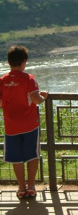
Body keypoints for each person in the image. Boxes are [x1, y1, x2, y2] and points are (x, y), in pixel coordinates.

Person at [0, 45, 48, 200]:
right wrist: (44, 96)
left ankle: (21, 188)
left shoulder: (2, 81)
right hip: (29, 125)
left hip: (11, 126)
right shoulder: (29, 78)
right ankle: (31, 187)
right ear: (24, 62)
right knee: (32, 156)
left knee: (16, 158)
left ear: (8, 62)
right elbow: (36, 99)